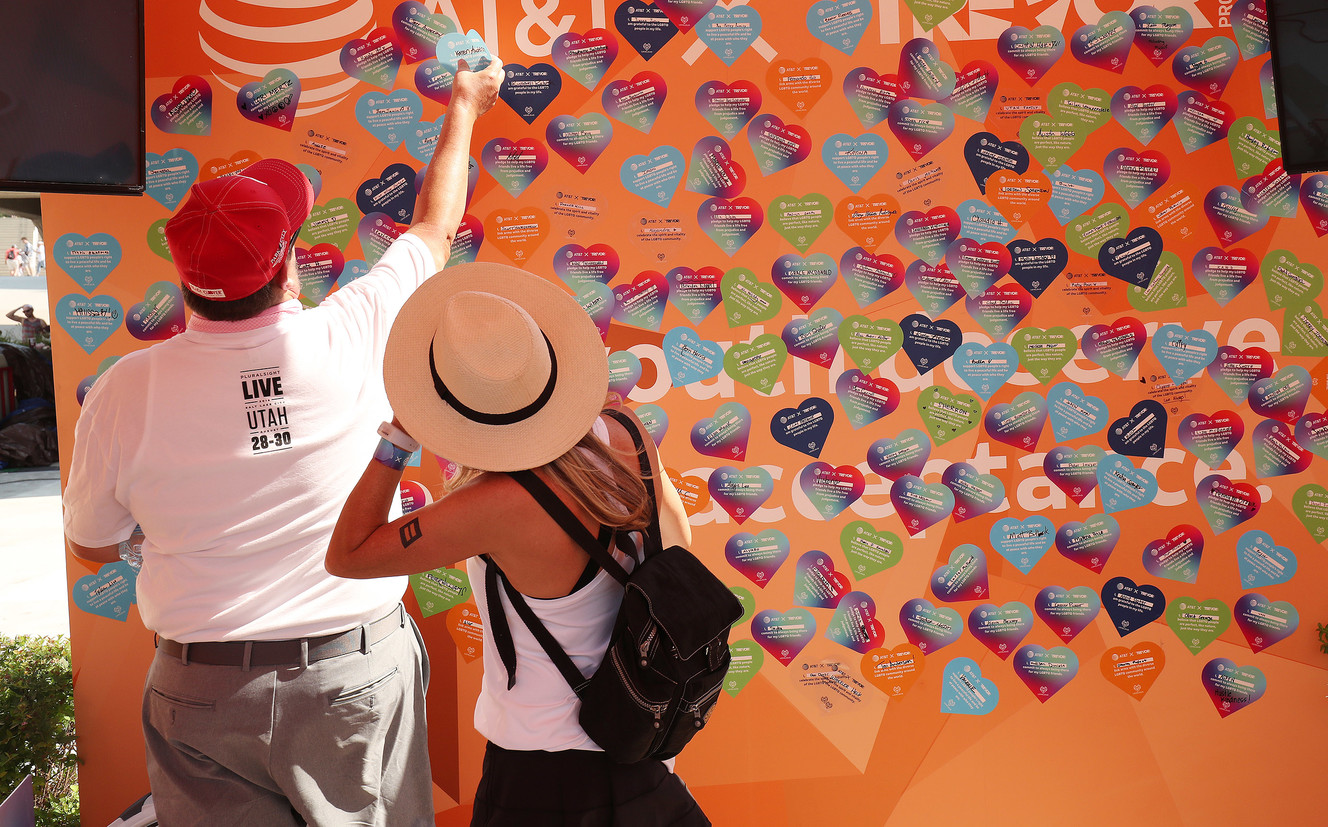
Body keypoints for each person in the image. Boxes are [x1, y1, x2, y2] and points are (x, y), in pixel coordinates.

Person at [61, 58, 504, 826]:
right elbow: (435, 224)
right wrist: (466, 102)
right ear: (289, 261)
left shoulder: (124, 391)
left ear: (186, 274)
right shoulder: (357, 328)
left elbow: (89, 545)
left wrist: (149, 532)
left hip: (201, 697)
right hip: (354, 679)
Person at [325, 263, 710, 826]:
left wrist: (397, 440)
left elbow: (348, 555)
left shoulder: (498, 504)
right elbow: (679, 545)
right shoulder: (626, 434)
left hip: (542, 777)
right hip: (641, 750)